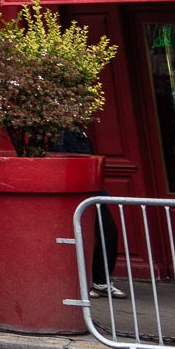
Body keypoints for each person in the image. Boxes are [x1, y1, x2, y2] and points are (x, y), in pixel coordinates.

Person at [56, 124, 125, 297]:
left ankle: (99, 281)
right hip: (79, 188)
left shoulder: (76, 129)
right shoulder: (62, 131)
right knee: (101, 233)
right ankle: (91, 282)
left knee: (107, 233)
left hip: (89, 187)